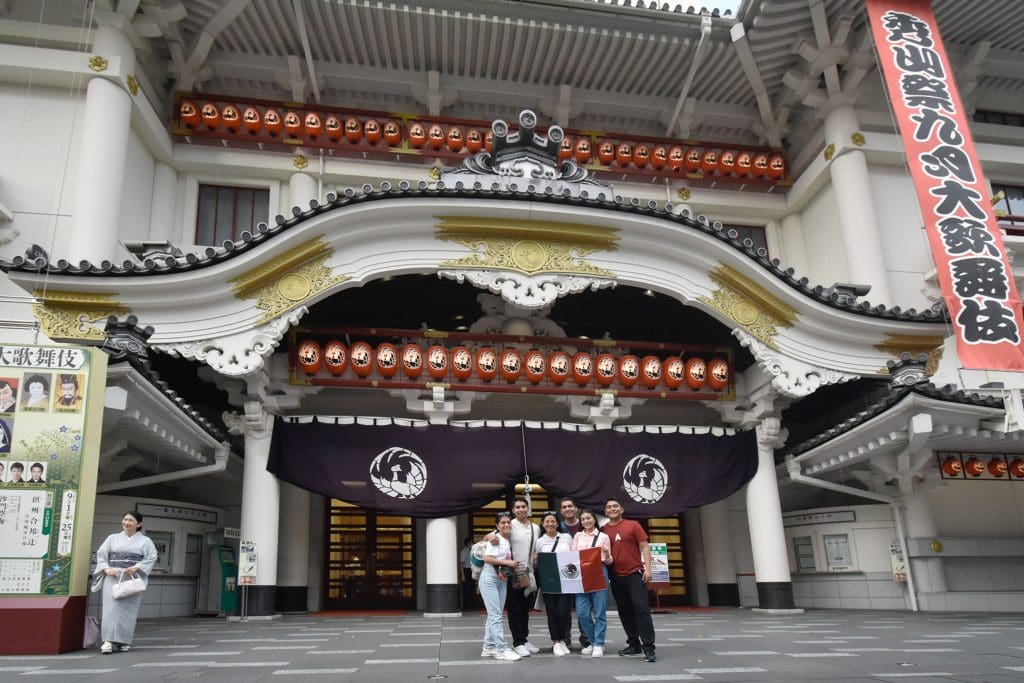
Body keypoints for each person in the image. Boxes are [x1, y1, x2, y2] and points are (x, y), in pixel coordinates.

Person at [93, 511, 158, 654]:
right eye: (124, 519)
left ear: (138, 524)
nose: (126, 522)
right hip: (113, 577)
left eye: (130, 520)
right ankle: (108, 641)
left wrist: (137, 567)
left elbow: (152, 557)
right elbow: (101, 555)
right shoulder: (112, 538)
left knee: (128, 610)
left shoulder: (145, 541)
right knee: (111, 609)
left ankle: (124, 641)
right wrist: (106, 568)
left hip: (131, 578)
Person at [604, 497, 657, 662]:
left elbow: (645, 546)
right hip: (616, 576)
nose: (612, 509)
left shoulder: (633, 525)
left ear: (621, 509)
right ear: (605, 512)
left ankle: (648, 647)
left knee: (641, 609)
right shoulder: (603, 530)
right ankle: (633, 644)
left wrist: (648, 569)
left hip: (635, 574)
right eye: (609, 507)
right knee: (624, 611)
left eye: (615, 506)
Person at [477, 511, 521, 661]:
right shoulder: (495, 539)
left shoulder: (505, 539)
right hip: (489, 577)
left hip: (501, 579)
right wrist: (508, 563)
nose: (506, 525)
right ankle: (501, 649)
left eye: (508, 522)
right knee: (495, 615)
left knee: (494, 615)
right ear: (497, 525)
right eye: (502, 523)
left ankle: (488, 647)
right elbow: (487, 558)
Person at [571, 509, 613, 657]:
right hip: (581, 575)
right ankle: (594, 641)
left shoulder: (603, 537)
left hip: (599, 573)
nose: (586, 521)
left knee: (600, 612)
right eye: (583, 519)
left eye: (588, 518)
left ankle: (599, 644)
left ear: (594, 519)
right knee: (582, 613)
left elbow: (609, 561)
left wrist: (607, 553)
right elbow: (572, 556)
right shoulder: (577, 536)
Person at [533, 511, 573, 656]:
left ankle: (563, 640)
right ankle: (555, 641)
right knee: (552, 612)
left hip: (566, 580)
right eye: (547, 522)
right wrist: (536, 559)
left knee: (564, 611)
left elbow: (573, 556)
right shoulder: (540, 541)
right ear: (543, 524)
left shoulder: (566, 538)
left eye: (553, 521)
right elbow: (536, 563)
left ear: (557, 523)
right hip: (548, 581)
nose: (550, 524)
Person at [506, 496, 541, 657]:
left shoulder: (536, 527)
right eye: (517, 507)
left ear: (528, 508)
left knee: (525, 608)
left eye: (523, 506)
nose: (520, 509)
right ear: (513, 510)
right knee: (514, 608)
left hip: (529, 573)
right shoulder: (509, 525)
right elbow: (494, 537)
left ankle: (524, 639)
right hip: (513, 574)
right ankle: (517, 642)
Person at [558, 497, 588, 650]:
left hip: (584, 572)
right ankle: (565, 638)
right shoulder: (558, 527)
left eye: (570, 506)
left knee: (584, 608)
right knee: (564, 608)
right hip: (565, 573)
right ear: (561, 511)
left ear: (575, 508)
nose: (568, 509)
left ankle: (587, 638)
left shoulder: (585, 524)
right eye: (564, 507)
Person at [459, 536, 477, 610]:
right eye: (471, 543)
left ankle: (472, 605)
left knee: (472, 588)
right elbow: (462, 564)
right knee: (466, 589)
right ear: (468, 543)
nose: (472, 544)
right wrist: (462, 575)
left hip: (472, 570)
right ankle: (466, 606)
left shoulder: (472, 551)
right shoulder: (463, 551)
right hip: (466, 571)